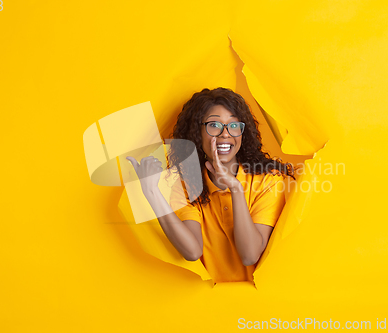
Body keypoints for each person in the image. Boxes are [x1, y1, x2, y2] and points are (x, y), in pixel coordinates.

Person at [126, 87, 296, 284]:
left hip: (263, 301)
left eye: (234, 125)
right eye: (214, 125)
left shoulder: (269, 180)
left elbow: (250, 255)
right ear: (196, 132)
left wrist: (236, 189)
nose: (225, 134)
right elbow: (192, 250)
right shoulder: (185, 185)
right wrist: (151, 190)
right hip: (211, 306)